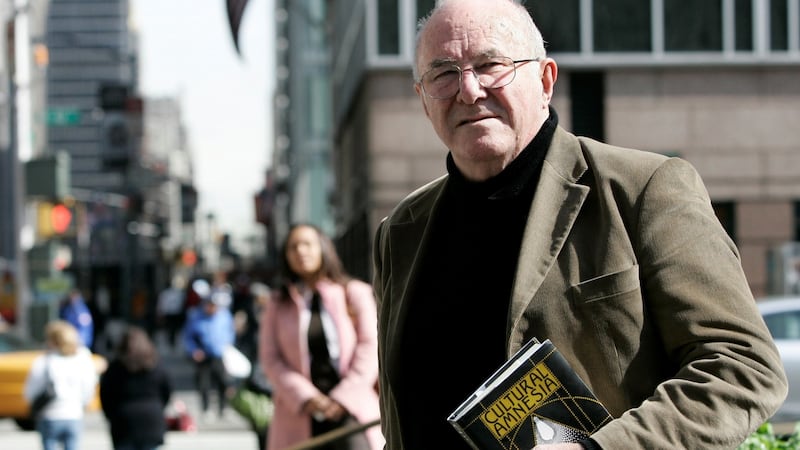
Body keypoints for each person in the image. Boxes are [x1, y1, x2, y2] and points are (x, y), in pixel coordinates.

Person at [371, 1, 789, 449]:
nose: (468, 90)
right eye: (443, 73)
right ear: (423, 98)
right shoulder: (401, 231)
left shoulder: (641, 190)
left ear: (545, 80)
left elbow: (743, 367)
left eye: (491, 65)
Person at [259, 223, 384, 450]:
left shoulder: (354, 292)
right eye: (293, 247)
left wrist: (343, 397)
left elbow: (370, 347)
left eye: (307, 244)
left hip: (352, 407)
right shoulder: (277, 303)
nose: (300, 251)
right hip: (298, 411)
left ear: (323, 248)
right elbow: (270, 358)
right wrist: (307, 397)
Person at [23, 320, 99, 450]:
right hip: (74, 414)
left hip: (50, 415)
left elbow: (30, 391)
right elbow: (89, 387)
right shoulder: (82, 359)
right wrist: (82, 404)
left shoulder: (44, 361)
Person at [100, 325, 173, 450]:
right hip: (151, 420)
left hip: (123, 421)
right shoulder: (156, 366)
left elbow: (105, 395)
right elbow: (167, 392)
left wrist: (111, 414)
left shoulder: (115, 368)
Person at [182, 278, 236, 421]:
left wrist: (228, 346)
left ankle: (223, 407)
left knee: (223, 382)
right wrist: (193, 350)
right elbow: (188, 336)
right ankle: (206, 408)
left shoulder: (224, 316)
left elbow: (230, 333)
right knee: (203, 383)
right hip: (203, 354)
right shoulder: (195, 316)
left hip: (220, 354)